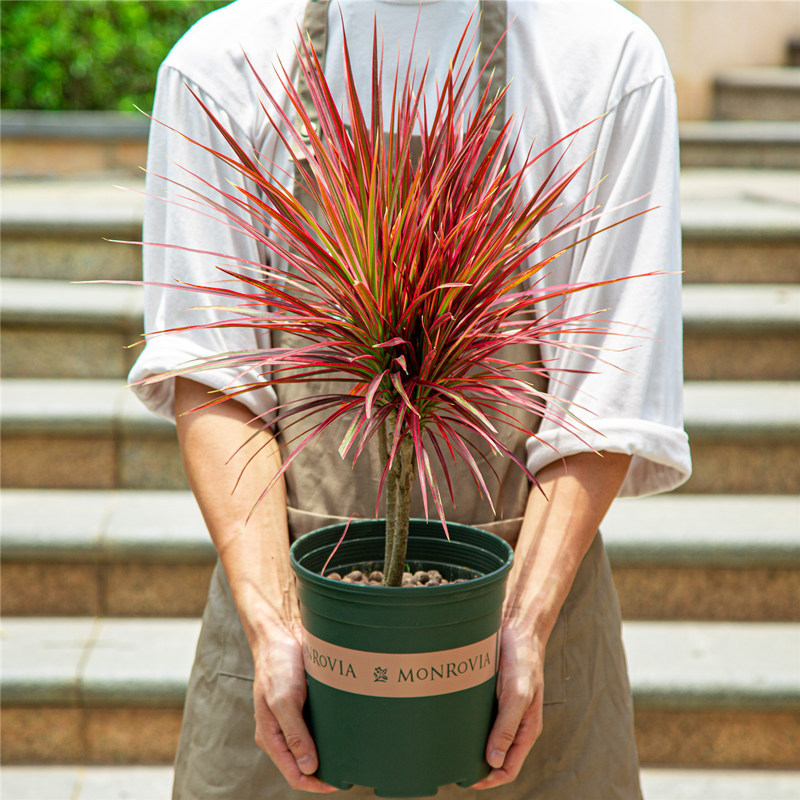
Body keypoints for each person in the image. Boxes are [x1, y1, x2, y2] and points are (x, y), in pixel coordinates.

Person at [129, 1, 691, 797]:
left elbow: (607, 390)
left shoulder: (606, 64)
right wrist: (273, 624)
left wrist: (522, 626)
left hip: (524, 644)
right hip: (290, 648)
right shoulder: (223, 65)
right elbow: (215, 376)